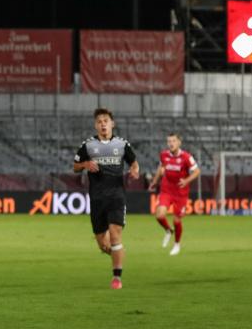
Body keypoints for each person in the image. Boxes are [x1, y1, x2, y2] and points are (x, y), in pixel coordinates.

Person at [73, 108, 140, 289]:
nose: (103, 124)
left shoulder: (121, 144)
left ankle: (117, 277)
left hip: (117, 196)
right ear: (96, 126)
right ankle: (117, 254)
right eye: (100, 121)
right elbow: (75, 166)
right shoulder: (87, 146)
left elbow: (133, 162)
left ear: (112, 124)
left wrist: (134, 170)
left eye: (106, 120)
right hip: (97, 199)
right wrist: (85, 164)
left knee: (115, 235)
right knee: (103, 244)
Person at [148, 133, 200, 256]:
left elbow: (197, 171)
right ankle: (168, 230)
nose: (171, 143)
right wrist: (154, 182)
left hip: (180, 193)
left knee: (177, 221)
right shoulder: (164, 155)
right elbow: (160, 169)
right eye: (169, 141)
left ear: (179, 142)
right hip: (166, 190)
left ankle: (176, 244)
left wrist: (186, 180)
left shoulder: (186, 157)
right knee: (159, 216)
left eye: (173, 141)